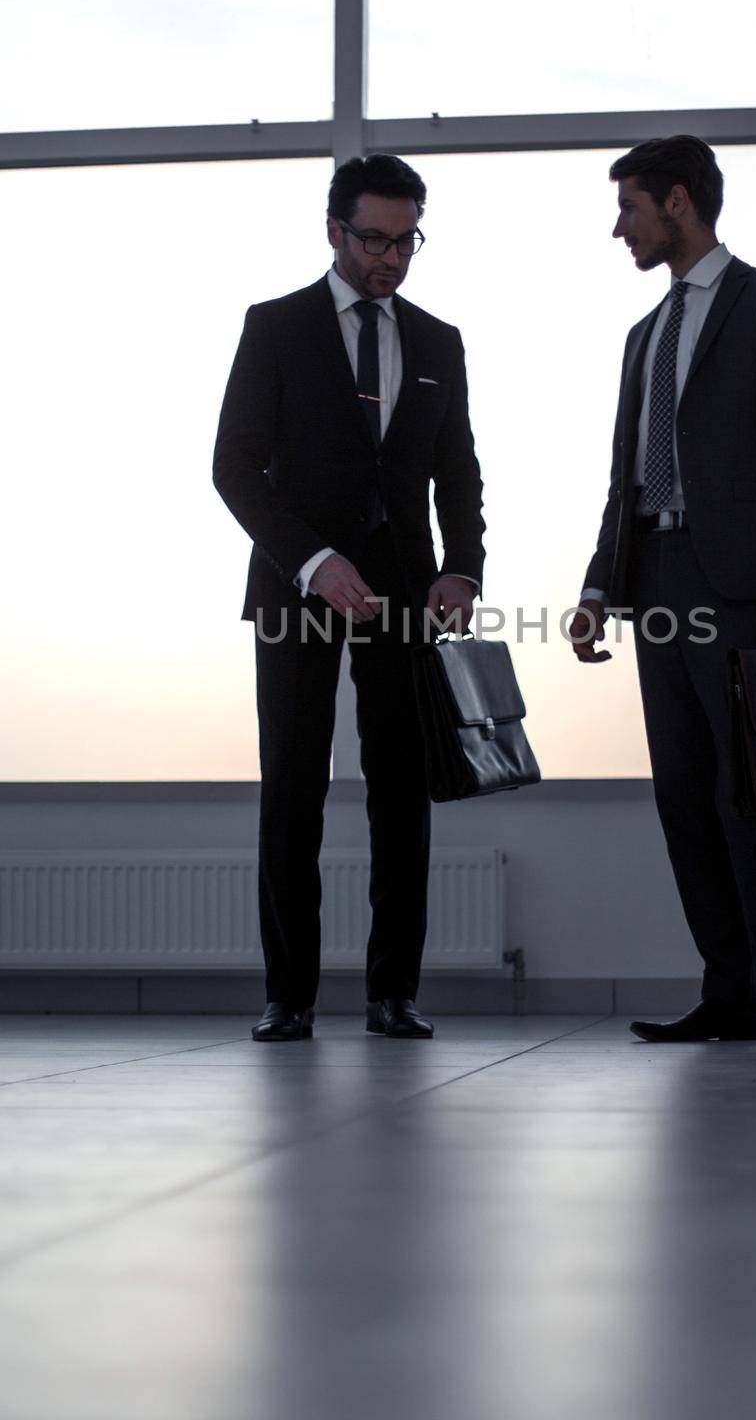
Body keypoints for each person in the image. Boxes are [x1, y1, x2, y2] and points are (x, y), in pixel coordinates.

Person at [569, 136, 756, 1049]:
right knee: (683, 797)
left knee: (748, 796)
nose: (620, 230)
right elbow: (621, 477)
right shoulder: (642, 335)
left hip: (740, 587)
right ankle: (728, 996)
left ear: (677, 202)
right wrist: (597, 587)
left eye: (629, 210)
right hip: (654, 580)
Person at [213, 154, 485, 1042]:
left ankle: (392, 993)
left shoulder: (439, 339)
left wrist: (464, 566)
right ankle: (287, 995)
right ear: (335, 230)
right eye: (375, 239)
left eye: (406, 241)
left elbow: (458, 472)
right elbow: (234, 469)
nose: (391, 259)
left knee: (401, 793)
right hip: (298, 589)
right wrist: (315, 561)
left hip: (407, 593)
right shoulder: (275, 327)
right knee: (292, 787)